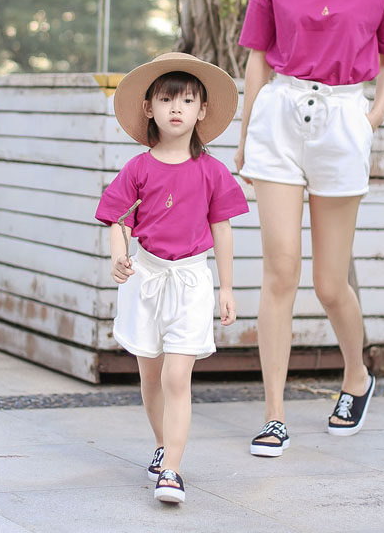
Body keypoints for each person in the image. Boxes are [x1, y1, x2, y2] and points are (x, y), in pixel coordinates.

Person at [234, 0, 384, 456]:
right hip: (279, 116)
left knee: (331, 284)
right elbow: (257, 56)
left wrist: (369, 118)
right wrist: (247, 132)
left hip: (342, 118)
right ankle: (274, 415)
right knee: (279, 271)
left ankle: (357, 376)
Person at [96, 52, 248, 503]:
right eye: (166, 99)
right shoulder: (138, 168)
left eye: (186, 100)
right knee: (151, 376)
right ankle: (163, 446)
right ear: (149, 108)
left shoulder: (212, 170)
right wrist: (119, 257)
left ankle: (173, 471)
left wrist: (227, 288)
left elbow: (222, 229)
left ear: (202, 110)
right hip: (145, 279)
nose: (176, 108)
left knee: (177, 376)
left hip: (191, 282)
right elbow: (119, 219)